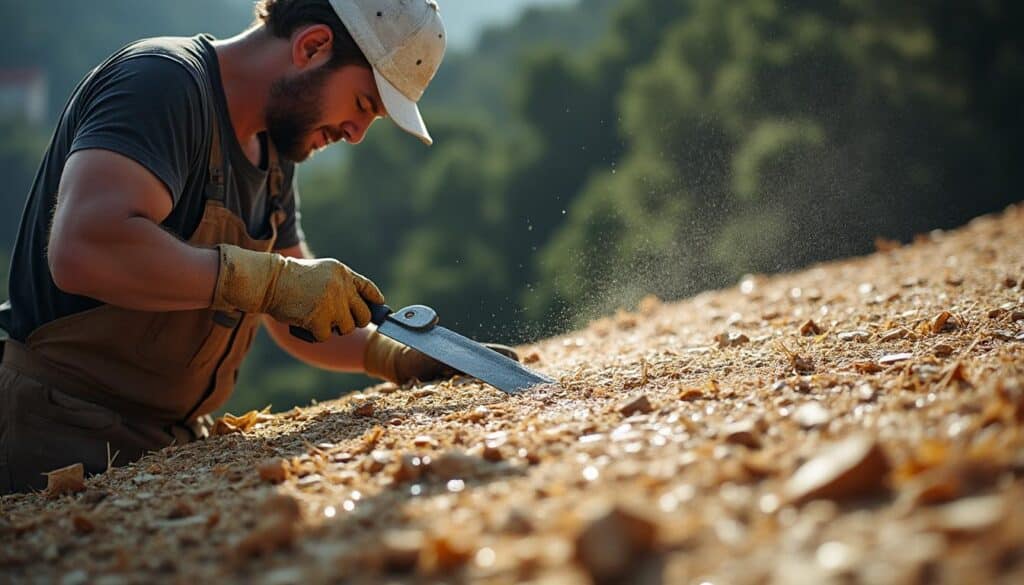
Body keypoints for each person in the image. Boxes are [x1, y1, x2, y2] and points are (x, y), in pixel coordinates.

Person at [0, 0, 514, 495]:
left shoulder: (274, 149)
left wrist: (394, 356)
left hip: (159, 445)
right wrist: (267, 281)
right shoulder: (160, 85)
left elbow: (298, 313)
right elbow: (84, 249)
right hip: (53, 439)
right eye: (363, 103)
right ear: (313, 46)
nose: (357, 134)